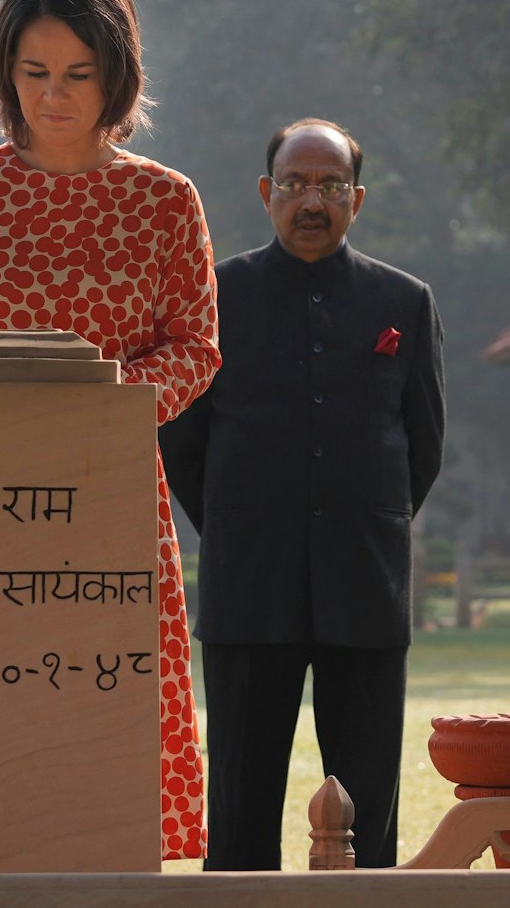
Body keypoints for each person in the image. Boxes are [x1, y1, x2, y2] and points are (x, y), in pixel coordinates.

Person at [0, 0, 219, 861]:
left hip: (111, 494)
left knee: (109, 723)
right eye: (34, 74)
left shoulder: (164, 199)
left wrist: (105, 406)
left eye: (78, 75)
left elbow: (197, 345)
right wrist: (8, 408)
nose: (55, 96)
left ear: (118, 76)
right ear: (6, 75)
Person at [160, 118, 444, 869]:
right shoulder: (213, 296)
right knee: (241, 817)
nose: (309, 200)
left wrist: (359, 524)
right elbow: (182, 443)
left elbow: (424, 447)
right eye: (293, 184)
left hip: (365, 588)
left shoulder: (404, 303)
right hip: (250, 587)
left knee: (367, 823)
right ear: (265, 193)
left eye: (328, 185)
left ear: (358, 198)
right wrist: (241, 524)